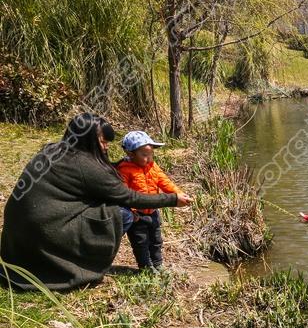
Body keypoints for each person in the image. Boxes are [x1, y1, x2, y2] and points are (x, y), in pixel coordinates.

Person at [0, 114, 192, 291]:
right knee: (124, 213)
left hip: (20, 237)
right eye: (102, 141)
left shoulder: (51, 150)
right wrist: (172, 199)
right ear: (88, 139)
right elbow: (129, 198)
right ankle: (82, 265)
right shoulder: (85, 164)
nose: (106, 147)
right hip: (45, 234)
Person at [115, 131, 181, 271]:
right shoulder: (124, 169)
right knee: (141, 242)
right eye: (144, 155)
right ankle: (146, 267)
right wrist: (131, 211)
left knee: (156, 240)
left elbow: (164, 181)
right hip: (137, 214)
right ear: (130, 154)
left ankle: (158, 264)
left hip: (153, 211)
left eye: (151, 154)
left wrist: (178, 194)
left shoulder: (152, 166)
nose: (149, 158)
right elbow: (123, 193)